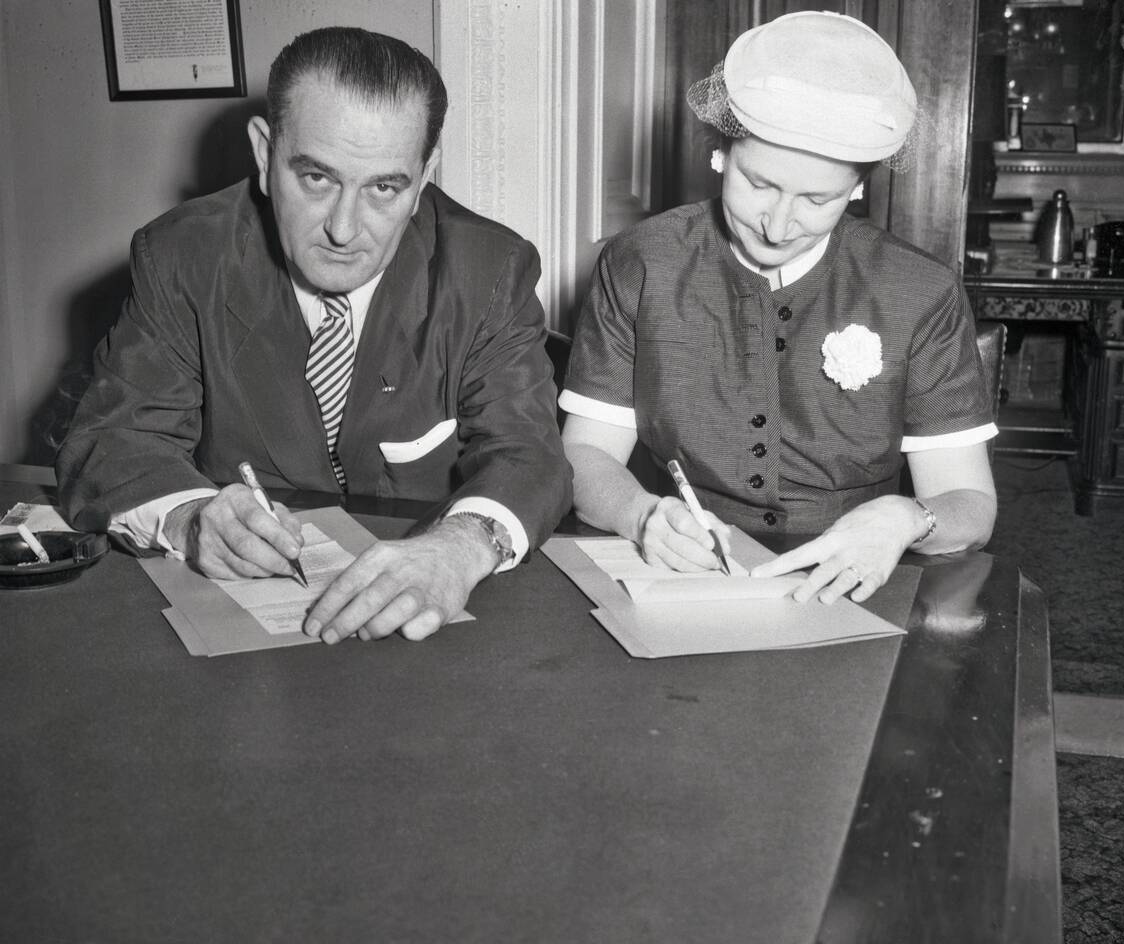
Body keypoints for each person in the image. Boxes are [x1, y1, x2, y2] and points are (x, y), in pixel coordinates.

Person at [56, 27, 572, 643]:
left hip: (431, 635)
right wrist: (193, 518)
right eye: (317, 178)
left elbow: (530, 454)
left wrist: (460, 548)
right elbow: (111, 440)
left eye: (385, 187)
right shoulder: (182, 257)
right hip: (240, 638)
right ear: (264, 155)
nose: (343, 228)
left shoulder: (488, 270)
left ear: (423, 176)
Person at [559, 11, 997, 606]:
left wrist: (906, 519)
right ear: (721, 152)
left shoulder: (921, 291)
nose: (778, 223)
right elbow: (583, 455)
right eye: (759, 183)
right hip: (688, 582)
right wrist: (640, 515)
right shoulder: (640, 262)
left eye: (818, 199)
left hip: (855, 585)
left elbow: (970, 506)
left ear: (859, 187)